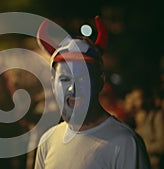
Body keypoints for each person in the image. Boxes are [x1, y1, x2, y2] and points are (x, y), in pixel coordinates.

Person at [34, 16, 150, 169]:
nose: (72, 88)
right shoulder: (48, 141)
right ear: (52, 84)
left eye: (82, 78)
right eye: (64, 79)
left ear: (100, 81)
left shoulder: (125, 143)